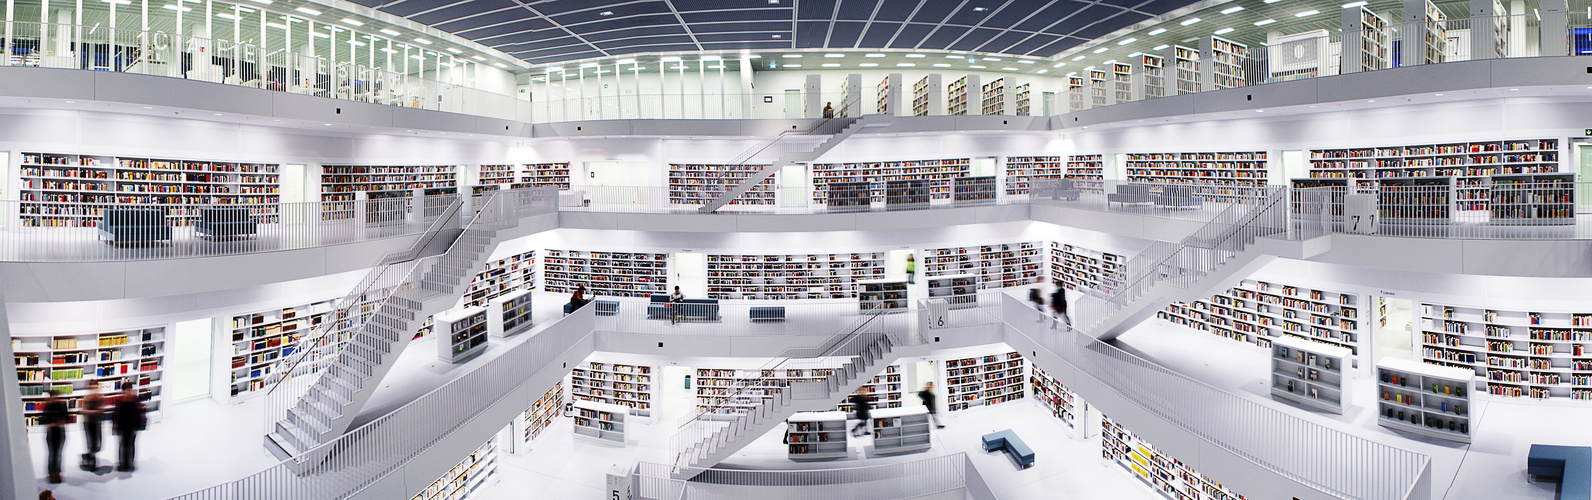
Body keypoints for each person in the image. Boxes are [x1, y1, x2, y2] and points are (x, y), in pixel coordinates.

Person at [112, 384, 146, 472]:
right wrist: (114, 426)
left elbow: (140, 412)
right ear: (123, 391)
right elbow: (116, 414)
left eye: (129, 390)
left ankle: (130, 463)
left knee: (131, 445)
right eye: (126, 391)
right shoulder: (120, 401)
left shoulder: (135, 399)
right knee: (122, 445)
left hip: (132, 426)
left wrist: (141, 423)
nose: (128, 392)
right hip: (122, 427)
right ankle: (122, 463)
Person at [41, 392, 68, 483]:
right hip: (51, 433)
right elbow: (43, 420)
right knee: (52, 453)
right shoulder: (48, 406)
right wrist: (56, 422)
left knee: (58, 453)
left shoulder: (62, 406)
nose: (55, 399)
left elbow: (66, 418)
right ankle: (52, 473)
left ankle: (57, 472)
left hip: (60, 433)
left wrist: (56, 422)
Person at [81, 384, 105, 471]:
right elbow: (84, 411)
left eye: (95, 387)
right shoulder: (87, 398)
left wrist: (94, 411)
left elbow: (102, 410)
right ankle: (92, 462)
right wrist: (94, 411)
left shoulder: (100, 397)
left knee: (98, 444)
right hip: (88, 422)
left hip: (97, 422)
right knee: (91, 442)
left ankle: (88, 456)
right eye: (92, 387)